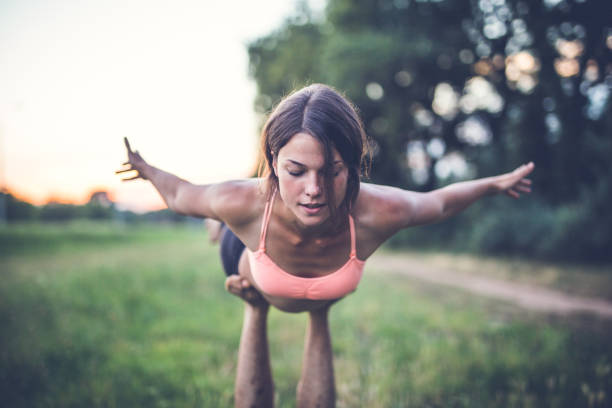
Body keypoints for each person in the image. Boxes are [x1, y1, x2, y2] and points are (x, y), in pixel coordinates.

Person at [116, 84, 534, 408]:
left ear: (353, 166)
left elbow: (439, 203)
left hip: (317, 276)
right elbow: (181, 195)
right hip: (251, 256)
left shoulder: (375, 210)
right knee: (221, 224)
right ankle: (219, 232)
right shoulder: (244, 200)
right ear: (274, 163)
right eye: (296, 171)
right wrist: (146, 169)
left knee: (307, 292)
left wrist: (493, 185)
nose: (314, 190)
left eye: (332, 171)